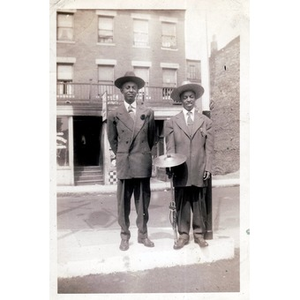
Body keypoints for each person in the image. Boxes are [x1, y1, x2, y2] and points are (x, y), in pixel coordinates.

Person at [107, 71, 156, 251]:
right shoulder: (114, 114)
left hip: (142, 162)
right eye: (127, 87)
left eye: (134, 87)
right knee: (123, 203)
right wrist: (123, 154)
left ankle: (143, 235)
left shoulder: (148, 112)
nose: (130, 90)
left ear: (138, 91)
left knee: (143, 202)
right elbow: (112, 140)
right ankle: (124, 236)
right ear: (121, 90)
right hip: (125, 164)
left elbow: (151, 138)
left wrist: (140, 152)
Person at [164, 81, 214, 250]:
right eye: (185, 97)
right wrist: (170, 166)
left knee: (199, 202)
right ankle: (183, 235)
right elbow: (170, 147)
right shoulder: (172, 122)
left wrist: (208, 167)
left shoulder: (205, 121)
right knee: (182, 202)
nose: (188, 100)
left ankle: (199, 234)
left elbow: (210, 148)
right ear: (181, 100)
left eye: (191, 97)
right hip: (181, 169)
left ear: (195, 99)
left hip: (199, 168)